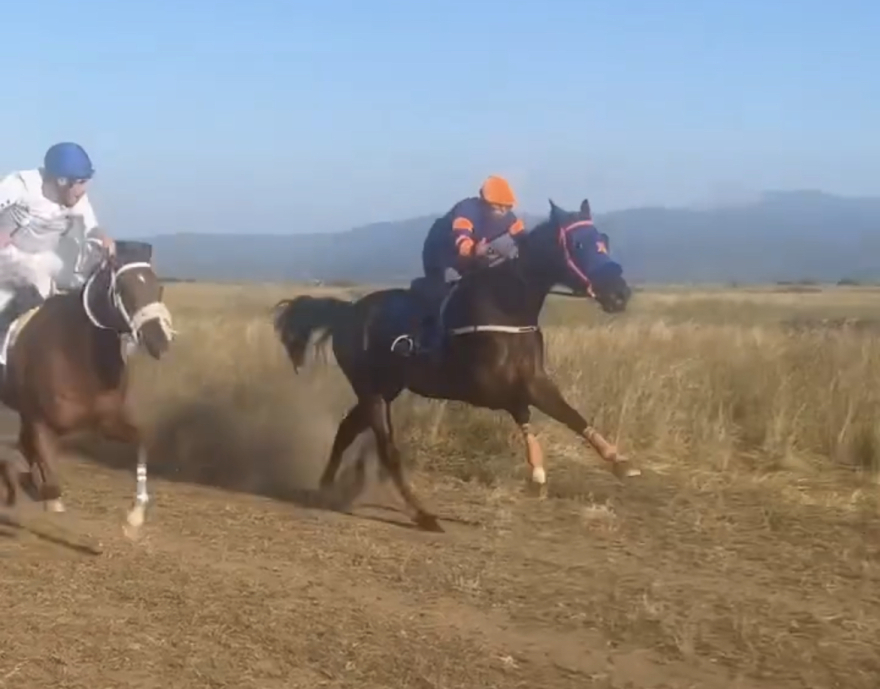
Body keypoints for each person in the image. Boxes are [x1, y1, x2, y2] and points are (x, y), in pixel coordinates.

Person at [394, 175, 526, 356]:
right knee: (446, 291)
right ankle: (415, 338)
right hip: (442, 253)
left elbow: (524, 239)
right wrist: (472, 250)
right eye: (498, 206)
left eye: (507, 207)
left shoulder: (509, 218)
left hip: (475, 258)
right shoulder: (467, 209)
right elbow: (461, 236)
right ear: (485, 202)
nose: (503, 211)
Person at [0, 142, 115, 335]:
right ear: (61, 181)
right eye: (80, 182)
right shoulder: (20, 185)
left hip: (42, 261)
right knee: (32, 289)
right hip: (7, 259)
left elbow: (91, 227)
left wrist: (103, 238)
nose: (84, 190)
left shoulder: (77, 198)